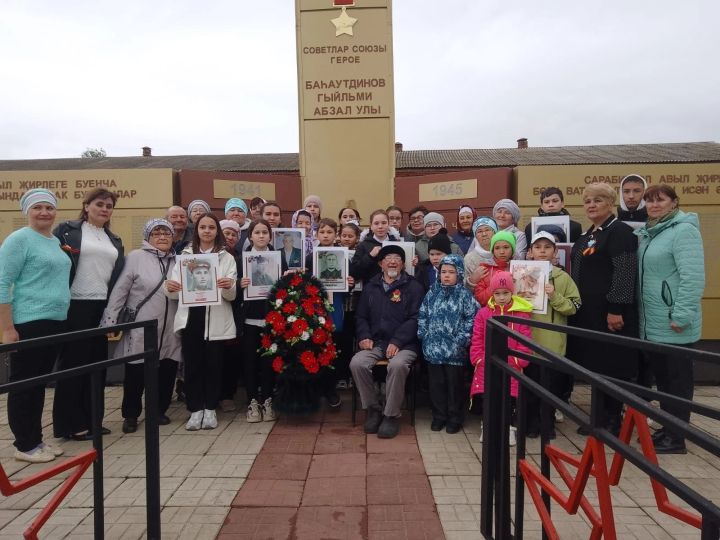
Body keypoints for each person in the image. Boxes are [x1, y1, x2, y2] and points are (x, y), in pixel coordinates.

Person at [0, 189, 70, 463]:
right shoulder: (19, 240)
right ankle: (24, 445)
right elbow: (3, 283)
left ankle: (36, 439)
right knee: (24, 384)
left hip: (55, 321)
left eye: (49, 207)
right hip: (29, 321)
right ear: (27, 211)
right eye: (38, 207)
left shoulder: (53, 241)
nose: (44, 212)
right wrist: (7, 328)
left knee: (39, 383)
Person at [637, 185, 705, 454]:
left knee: (677, 381)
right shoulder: (650, 232)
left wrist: (682, 314)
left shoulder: (683, 231)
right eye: (649, 201)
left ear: (674, 203)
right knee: (663, 380)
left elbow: (692, 277)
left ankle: (677, 437)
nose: (653, 205)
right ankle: (668, 427)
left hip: (673, 320)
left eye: (660, 200)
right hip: (652, 321)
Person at [53, 188, 124, 441]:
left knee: (97, 366)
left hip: (101, 306)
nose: (105, 209)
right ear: (86, 206)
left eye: (109, 206)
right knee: (73, 365)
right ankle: (70, 424)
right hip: (75, 304)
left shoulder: (113, 239)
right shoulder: (67, 230)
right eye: (100, 204)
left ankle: (93, 419)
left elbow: (116, 276)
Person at [568, 182, 639, 435]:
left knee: (612, 366)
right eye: (587, 201)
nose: (591, 205)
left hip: (609, 314)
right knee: (595, 365)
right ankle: (597, 417)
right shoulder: (589, 235)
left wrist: (616, 308)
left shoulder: (619, 232)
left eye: (598, 200)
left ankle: (611, 420)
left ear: (610, 204)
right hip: (587, 314)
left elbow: (624, 272)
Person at [100, 219, 180, 434]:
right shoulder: (136, 258)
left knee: (167, 369)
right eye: (157, 233)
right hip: (142, 326)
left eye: (167, 233)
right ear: (148, 237)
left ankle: (158, 411)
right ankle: (131, 414)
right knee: (136, 372)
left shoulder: (178, 261)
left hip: (170, 327)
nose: (162, 237)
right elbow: (120, 291)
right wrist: (110, 321)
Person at [165, 213, 237, 431]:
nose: (207, 231)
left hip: (216, 318)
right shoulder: (185, 255)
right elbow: (173, 291)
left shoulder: (227, 257)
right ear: (196, 230)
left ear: (217, 231)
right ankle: (195, 410)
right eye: (203, 227)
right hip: (191, 318)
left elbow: (232, 295)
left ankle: (210, 409)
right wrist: (171, 288)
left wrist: (228, 286)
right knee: (193, 366)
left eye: (211, 227)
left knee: (214, 366)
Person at [351, 245, 424, 439]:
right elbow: (361, 317)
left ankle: (391, 415)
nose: (392, 261)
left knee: (398, 365)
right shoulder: (371, 287)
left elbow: (416, 318)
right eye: (388, 258)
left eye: (397, 258)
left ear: (403, 264)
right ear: (381, 264)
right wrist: (364, 336)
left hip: (405, 344)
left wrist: (398, 341)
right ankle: (373, 408)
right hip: (376, 342)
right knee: (357, 363)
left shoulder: (414, 287)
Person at [523, 232, 581, 438]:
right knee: (529, 388)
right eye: (537, 247)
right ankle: (530, 424)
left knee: (550, 389)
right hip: (527, 342)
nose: (542, 251)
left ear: (555, 252)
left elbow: (574, 306)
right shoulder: (521, 274)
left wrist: (554, 295)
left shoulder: (563, 277)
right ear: (530, 252)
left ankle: (547, 426)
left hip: (551, 345)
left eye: (547, 247)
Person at [470, 271, 533, 446]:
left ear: (512, 292)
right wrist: (478, 359)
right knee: (487, 397)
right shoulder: (483, 313)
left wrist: (519, 361)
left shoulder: (521, 315)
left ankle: (509, 428)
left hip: (512, 365)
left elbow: (525, 340)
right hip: (487, 364)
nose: (501, 297)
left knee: (510, 399)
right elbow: (477, 338)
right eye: (497, 293)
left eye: (505, 293)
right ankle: (487, 426)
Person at [418, 255, 478, 434]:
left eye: (451, 272)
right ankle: (439, 416)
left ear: (459, 273)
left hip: (455, 351)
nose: (446, 276)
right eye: (443, 272)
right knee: (436, 385)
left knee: (454, 385)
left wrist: (463, 338)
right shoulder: (432, 292)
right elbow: (423, 314)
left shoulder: (464, 295)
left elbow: (471, 319)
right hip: (433, 349)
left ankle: (454, 417)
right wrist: (423, 333)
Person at [237, 220, 278, 422]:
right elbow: (233, 293)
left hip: (271, 321)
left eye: (265, 232)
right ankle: (253, 402)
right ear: (250, 236)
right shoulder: (242, 260)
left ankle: (268, 400)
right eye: (257, 232)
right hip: (250, 321)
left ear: (270, 236)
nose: (261, 236)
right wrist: (239, 284)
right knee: (250, 363)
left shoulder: (278, 259)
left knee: (269, 363)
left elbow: (286, 288)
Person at [350, 209, 400, 282]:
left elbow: (403, 268)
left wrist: (411, 262)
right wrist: (370, 256)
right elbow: (355, 272)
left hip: (394, 288)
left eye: (384, 223)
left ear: (389, 225)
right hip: (371, 289)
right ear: (371, 226)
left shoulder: (397, 244)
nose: (380, 226)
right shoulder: (363, 245)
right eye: (376, 223)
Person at [471, 230, 516, 306]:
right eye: (497, 248)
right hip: (492, 315)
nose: (502, 252)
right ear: (493, 250)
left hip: (514, 314)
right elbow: (480, 299)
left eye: (506, 247)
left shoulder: (520, 269)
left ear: (512, 249)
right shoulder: (485, 270)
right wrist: (495, 285)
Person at [464, 217, 499, 291]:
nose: (484, 234)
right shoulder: (469, 258)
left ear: (495, 232)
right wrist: (472, 280)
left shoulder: (505, 251)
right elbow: (463, 288)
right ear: (475, 236)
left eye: (487, 230)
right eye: (479, 231)